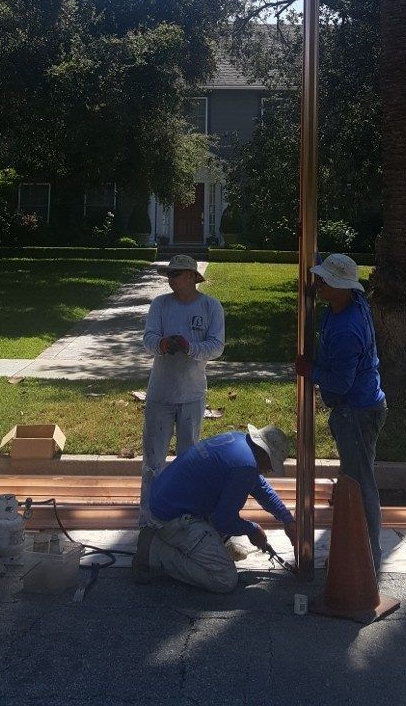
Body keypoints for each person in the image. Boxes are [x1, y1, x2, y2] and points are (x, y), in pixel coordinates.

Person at [296, 252, 387, 572]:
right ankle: (360, 553)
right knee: (357, 479)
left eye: (325, 281)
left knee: (362, 486)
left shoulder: (348, 329)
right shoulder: (350, 303)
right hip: (362, 407)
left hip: (356, 412)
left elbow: (341, 382)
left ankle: (367, 564)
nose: (318, 285)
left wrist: (311, 371)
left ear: (341, 286)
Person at [133, 424, 295, 592]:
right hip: (172, 518)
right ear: (264, 452)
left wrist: (287, 518)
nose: (270, 470)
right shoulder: (245, 466)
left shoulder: (241, 443)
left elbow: (260, 487)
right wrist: (251, 530)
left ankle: (203, 544)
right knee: (225, 579)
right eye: (271, 463)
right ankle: (155, 552)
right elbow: (223, 520)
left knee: (226, 503)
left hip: (167, 501)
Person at [139, 253, 225, 524]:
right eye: (169, 275)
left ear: (191, 277)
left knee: (189, 461)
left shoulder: (211, 307)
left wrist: (190, 348)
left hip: (192, 394)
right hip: (160, 394)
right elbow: (148, 339)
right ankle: (148, 520)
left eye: (175, 275)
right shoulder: (160, 305)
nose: (170, 280)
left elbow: (217, 346)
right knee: (153, 461)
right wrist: (163, 344)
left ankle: (186, 519)